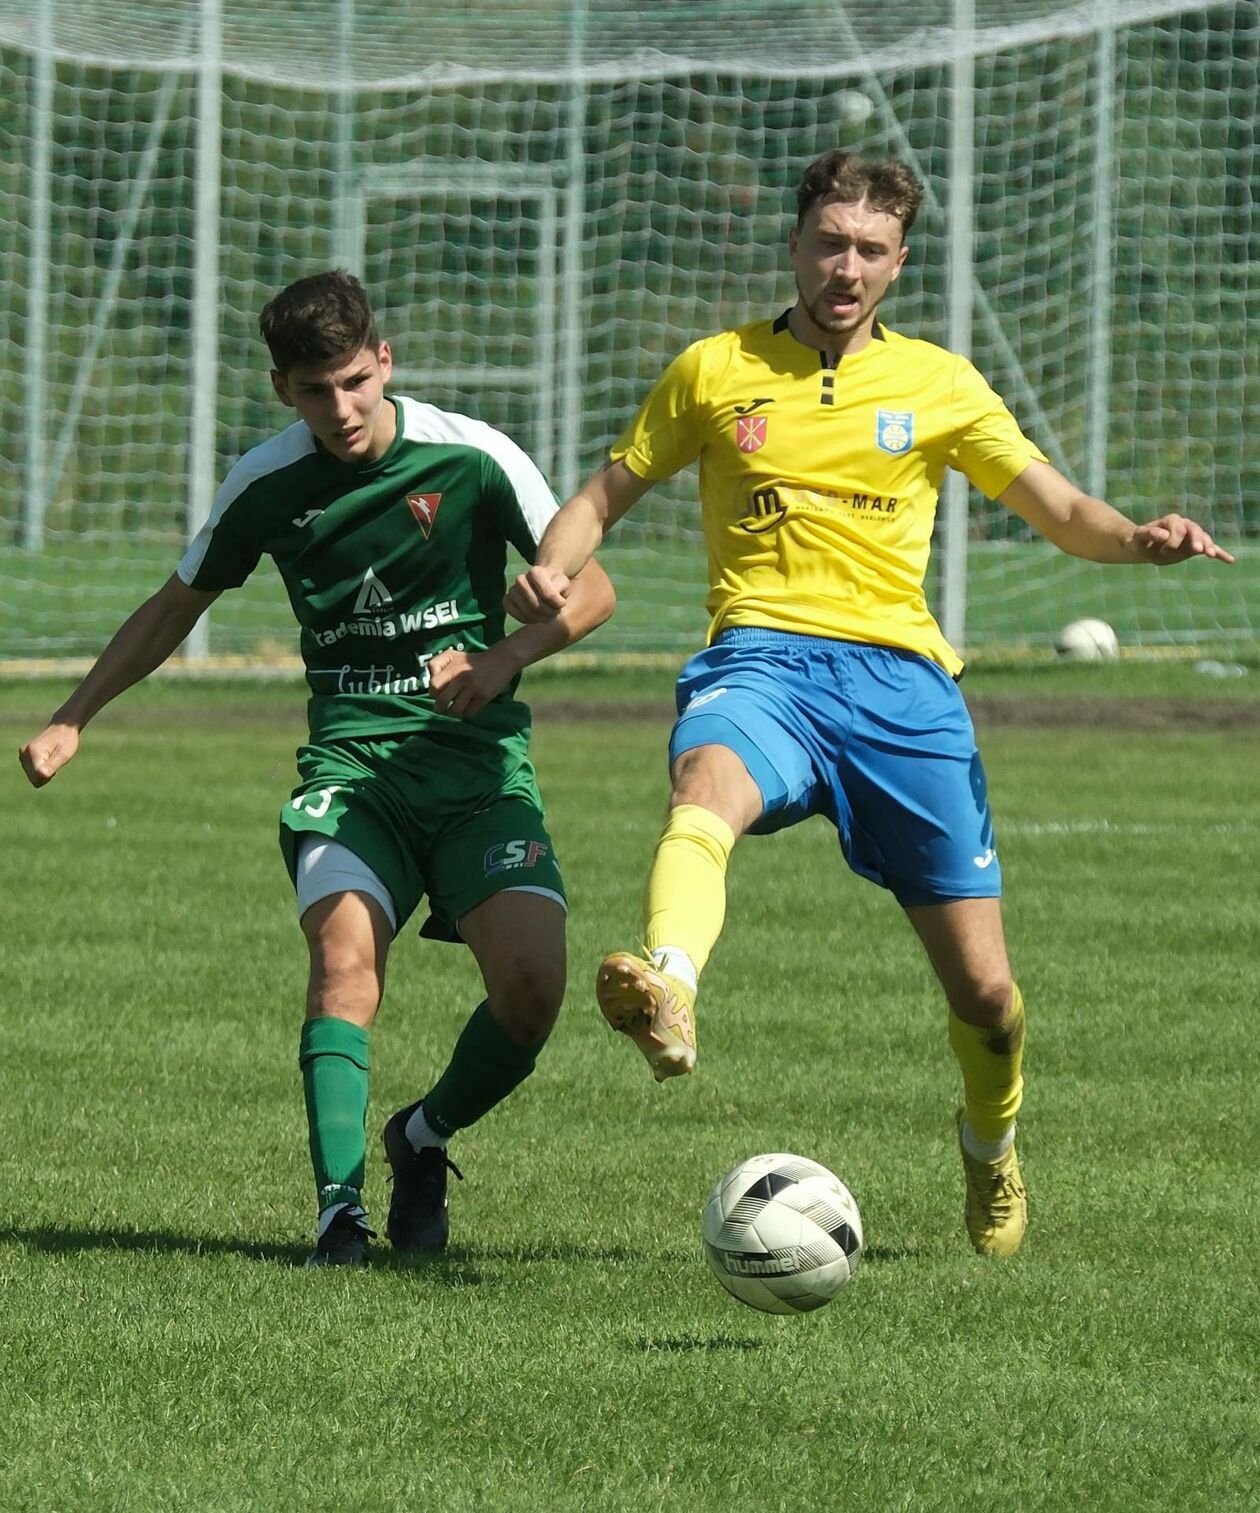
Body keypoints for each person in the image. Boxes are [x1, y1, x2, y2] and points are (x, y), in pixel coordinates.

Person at [505, 151, 1234, 1258]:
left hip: (903, 692)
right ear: (795, 244)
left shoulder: (940, 384)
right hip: (762, 661)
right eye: (830, 242)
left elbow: (1059, 507)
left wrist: (1140, 539)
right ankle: (671, 985)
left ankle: (991, 1151)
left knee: (988, 997)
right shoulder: (714, 369)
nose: (846, 267)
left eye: (871, 250)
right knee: (704, 788)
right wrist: (555, 568)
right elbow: (605, 494)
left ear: (900, 263)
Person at [19, 269, 615, 1267]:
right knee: (345, 966)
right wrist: (75, 715)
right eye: (313, 390)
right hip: (350, 770)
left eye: (352, 382)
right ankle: (340, 1213)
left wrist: (506, 655)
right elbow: (175, 604)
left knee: (532, 989)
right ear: (281, 390)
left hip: (477, 770)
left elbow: (590, 588)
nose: (340, 410)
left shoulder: (469, 458)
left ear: (383, 361)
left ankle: (420, 1139)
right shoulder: (266, 483)